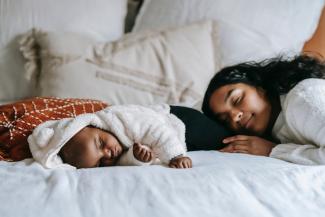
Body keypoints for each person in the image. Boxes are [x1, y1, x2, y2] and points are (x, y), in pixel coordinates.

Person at [201, 54, 325, 165]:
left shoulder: (302, 97)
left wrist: (271, 150)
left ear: (259, 86)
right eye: (225, 119)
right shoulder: (276, 130)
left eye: (237, 100)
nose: (234, 117)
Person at [28, 104, 233, 169]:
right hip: (177, 136)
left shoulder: (121, 118)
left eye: (100, 143)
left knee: (226, 138)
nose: (108, 154)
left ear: (96, 126)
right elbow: (124, 161)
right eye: (100, 162)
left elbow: (156, 131)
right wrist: (138, 157)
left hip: (180, 120)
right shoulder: (111, 151)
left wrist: (176, 156)